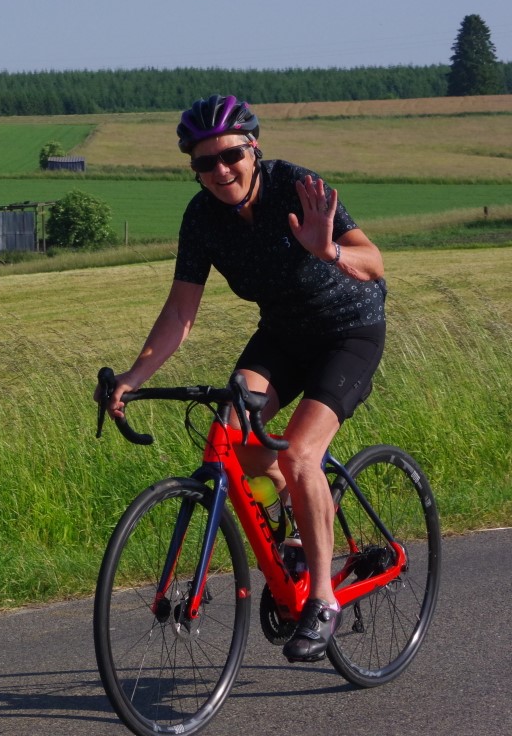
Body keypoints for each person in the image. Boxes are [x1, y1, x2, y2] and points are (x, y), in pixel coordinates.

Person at [99, 95, 387, 663]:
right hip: (282, 336)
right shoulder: (202, 218)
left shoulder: (296, 187)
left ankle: (322, 599)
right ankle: (299, 526)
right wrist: (133, 375)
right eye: (204, 162)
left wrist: (327, 249)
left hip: (348, 332)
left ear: (253, 149)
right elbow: (180, 311)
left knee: (300, 453)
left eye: (230, 155)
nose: (220, 170)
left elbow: (373, 261)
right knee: (229, 434)